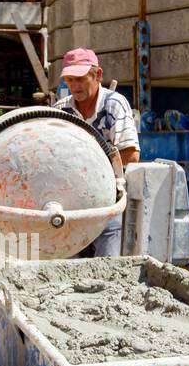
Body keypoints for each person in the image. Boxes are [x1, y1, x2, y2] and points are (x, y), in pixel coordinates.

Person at [52, 48, 140, 257]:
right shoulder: (60, 110)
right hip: (70, 203)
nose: (74, 86)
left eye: (80, 79)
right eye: (70, 80)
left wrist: (89, 171)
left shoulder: (114, 105)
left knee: (108, 259)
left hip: (108, 200)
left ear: (97, 75)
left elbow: (131, 154)